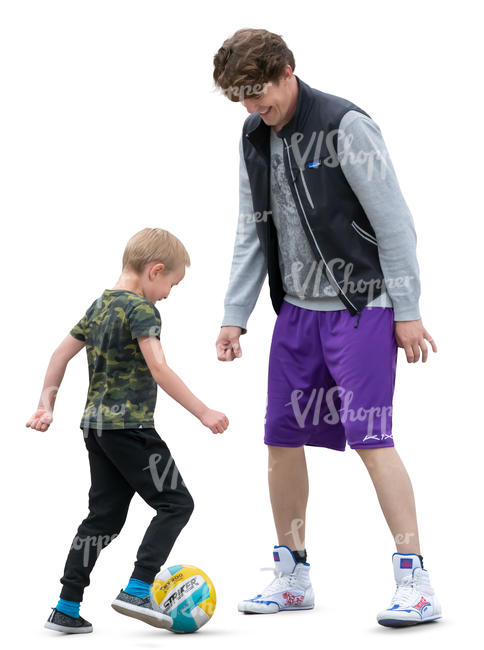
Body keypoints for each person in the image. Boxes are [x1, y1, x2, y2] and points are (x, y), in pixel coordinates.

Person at [213, 28, 441, 627]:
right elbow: (251, 227)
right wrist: (235, 314)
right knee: (281, 439)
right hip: (296, 316)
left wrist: (408, 309)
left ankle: (415, 581)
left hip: (362, 307)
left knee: (372, 438)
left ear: (288, 70)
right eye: (241, 100)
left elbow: (395, 223)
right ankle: (293, 576)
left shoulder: (345, 124)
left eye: (258, 95)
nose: (252, 109)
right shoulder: (253, 136)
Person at [26, 227, 229, 634]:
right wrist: (203, 411)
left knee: (102, 518)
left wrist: (45, 406)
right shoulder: (142, 310)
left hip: (96, 430)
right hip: (131, 430)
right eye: (172, 283)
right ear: (155, 271)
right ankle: (138, 588)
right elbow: (159, 367)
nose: (169, 294)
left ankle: (67, 605)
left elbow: (59, 355)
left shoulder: (100, 306)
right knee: (176, 503)